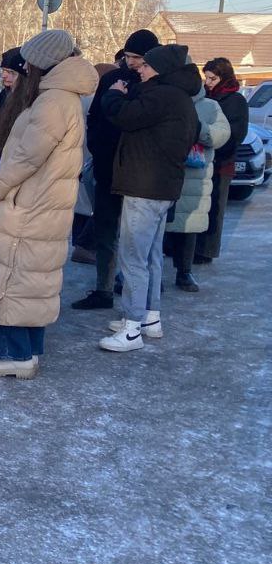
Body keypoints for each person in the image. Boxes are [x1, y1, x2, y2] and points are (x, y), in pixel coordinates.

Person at [0, 29, 98, 378]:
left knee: (9, 281)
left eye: (29, 60)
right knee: (28, 281)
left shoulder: (53, 101)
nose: (24, 66)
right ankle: (25, 350)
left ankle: (11, 356)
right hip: (41, 205)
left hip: (29, 206)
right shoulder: (60, 97)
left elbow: (27, 157)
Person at [99, 44, 200, 352]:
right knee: (152, 257)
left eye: (145, 65)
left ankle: (132, 328)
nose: (139, 69)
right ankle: (149, 318)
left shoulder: (161, 95)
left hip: (144, 188)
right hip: (163, 188)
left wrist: (114, 93)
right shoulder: (182, 98)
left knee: (133, 259)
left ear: (161, 69)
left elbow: (125, 117)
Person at [71, 29, 159, 311]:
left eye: (138, 58)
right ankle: (104, 288)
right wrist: (98, 147)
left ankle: (136, 296)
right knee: (106, 230)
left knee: (138, 238)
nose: (132, 63)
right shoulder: (111, 78)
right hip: (108, 167)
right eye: (129, 56)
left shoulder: (157, 86)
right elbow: (95, 116)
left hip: (140, 174)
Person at [163, 74, 230, 291]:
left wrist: (199, 130)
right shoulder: (163, 99)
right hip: (163, 173)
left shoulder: (210, 106)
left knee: (189, 224)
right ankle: (152, 276)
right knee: (157, 226)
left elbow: (222, 134)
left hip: (195, 177)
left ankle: (185, 272)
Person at [195, 58, 249, 264]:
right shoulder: (206, 97)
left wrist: (214, 144)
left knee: (215, 207)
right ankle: (192, 247)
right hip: (202, 160)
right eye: (206, 78)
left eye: (212, 78)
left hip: (221, 163)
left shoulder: (234, 100)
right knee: (199, 205)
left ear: (223, 78)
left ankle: (206, 250)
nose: (208, 82)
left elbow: (236, 134)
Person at [0, 47, 26, 114]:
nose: (3, 75)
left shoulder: (29, 98)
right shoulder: (4, 94)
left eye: (10, 72)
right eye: (3, 70)